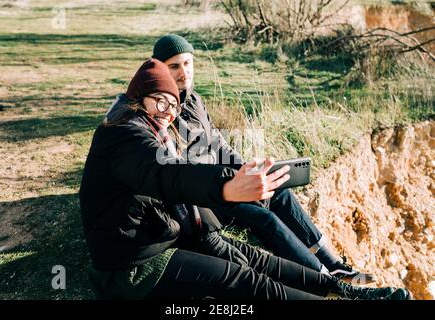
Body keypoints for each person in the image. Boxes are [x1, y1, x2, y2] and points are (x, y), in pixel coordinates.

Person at [79, 58, 412, 300]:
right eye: (160, 101)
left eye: (173, 105)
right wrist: (226, 185)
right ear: (139, 97)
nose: (168, 111)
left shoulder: (155, 131)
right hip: (132, 266)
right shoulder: (124, 136)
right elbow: (166, 175)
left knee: (256, 259)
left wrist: (238, 178)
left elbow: (182, 179)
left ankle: (346, 291)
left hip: (167, 237)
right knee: (243, 281)